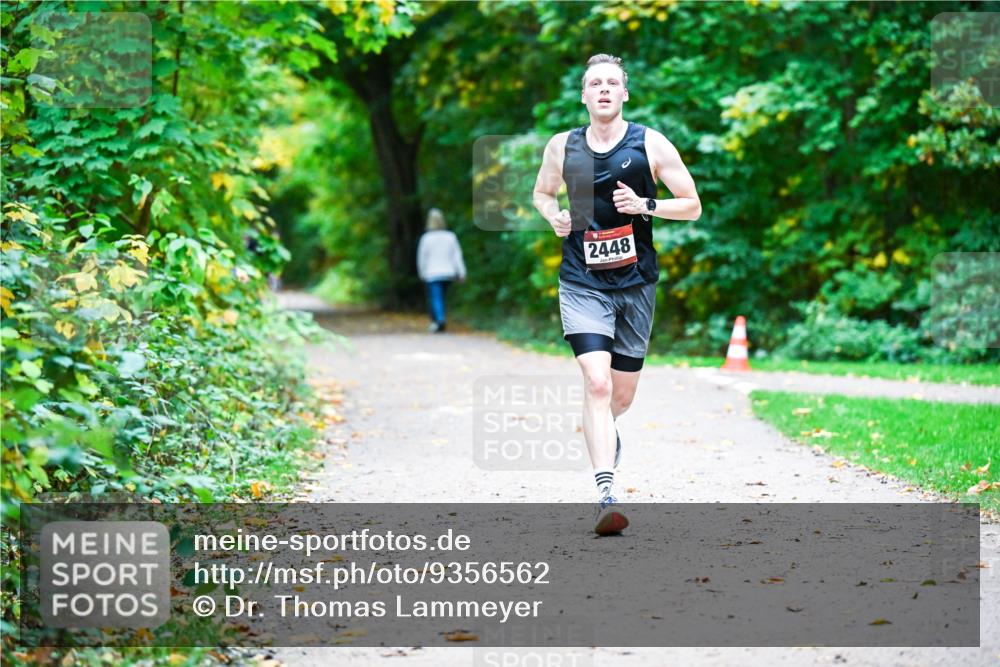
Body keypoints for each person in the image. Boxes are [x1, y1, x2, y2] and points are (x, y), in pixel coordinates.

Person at [532, 54, 702, 535]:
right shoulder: (562, 147)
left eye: (612, 83)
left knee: (619, 398)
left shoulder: (648, 143)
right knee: (597, 383)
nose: (603, 89)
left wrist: (646, 205)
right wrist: (553, 216)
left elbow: (692, 205)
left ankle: (602, 428)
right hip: (582, 280)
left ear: (624, 93)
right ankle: (606, 492)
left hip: (635, 284)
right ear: (584, 95)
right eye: (594, 84)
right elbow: (543, 193)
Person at [416, 208, 466, 333]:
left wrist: (421, 271)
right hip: (448, 273)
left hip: (432, 273)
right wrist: (461, 272)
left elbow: (422, 258)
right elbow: (457, 256)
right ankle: (438, 320)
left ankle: (439, 319)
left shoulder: (426, 238)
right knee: (440, 297)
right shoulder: (450, 237)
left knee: (436, 298)